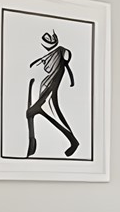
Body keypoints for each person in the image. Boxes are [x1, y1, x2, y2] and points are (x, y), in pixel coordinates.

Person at [25, 29, 79, 158]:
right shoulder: (49, 56)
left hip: (47, 91)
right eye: (47, 37)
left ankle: (73, 141)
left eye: (52, 36)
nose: (50, 39)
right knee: (31, 113)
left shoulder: (61, 51)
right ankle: (32, 144)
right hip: (41, 90)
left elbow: (58, 63)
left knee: (44, 112)